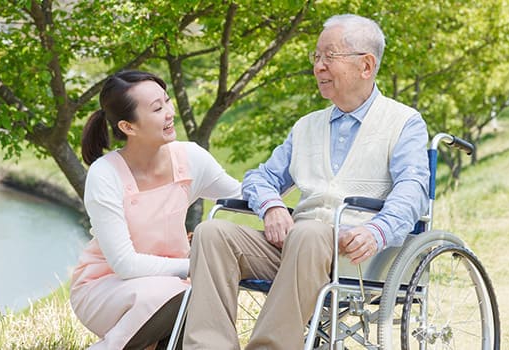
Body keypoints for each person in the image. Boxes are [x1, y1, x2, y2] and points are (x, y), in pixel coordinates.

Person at [182, 14, 430, 350]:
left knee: (310, 232)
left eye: (330, 57)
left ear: (366, 66)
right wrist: (271, 207)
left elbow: (413, 189)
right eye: (316, 57)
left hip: (358, 254)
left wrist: (378, 230)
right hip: (296, 247)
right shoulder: (306, 126)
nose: (319, 67)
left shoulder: (404, 122)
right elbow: (260, 178)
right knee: (212, 234)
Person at [69, 70, 241, 350]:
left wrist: (285, 186)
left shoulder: (190, 158)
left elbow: (241, 195)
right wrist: (196, 266)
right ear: (128, 127)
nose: (169, 113)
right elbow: (124, 264)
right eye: (157, 109)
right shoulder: (105, 174)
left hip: (175, 284)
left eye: (167, 101)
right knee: (185, 295)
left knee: (195, 304)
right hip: (106, 286)